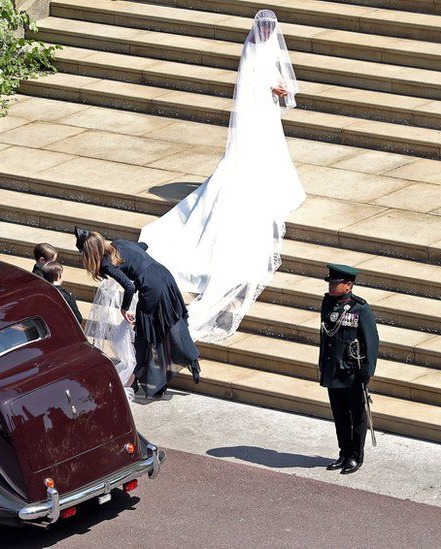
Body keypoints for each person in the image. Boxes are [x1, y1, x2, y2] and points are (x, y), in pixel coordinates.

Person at [138, 9, 305, 344]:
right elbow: (249, 85)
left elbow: (275, 82)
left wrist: (280, 89)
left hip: (267, 114)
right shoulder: (251, 50)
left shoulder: (269, 46)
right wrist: (270, 88)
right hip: (254, 114)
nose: (268, 33)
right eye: (266, 29)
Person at [77, 229, 200, 398]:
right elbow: (143, 245)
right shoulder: (119, 243)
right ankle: (188, 359)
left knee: (144, 334)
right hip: (164, 275)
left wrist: (124, 308)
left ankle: (146, 382)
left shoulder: (106, 263)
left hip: (150, 286)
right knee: (169, 321)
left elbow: (129, 286)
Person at [319, 264, 379, 475]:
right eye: (331, 283)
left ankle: (355, 456)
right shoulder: (327, 304)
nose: (331, 286)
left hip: (352, 372)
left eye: (336, 283)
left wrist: (366, 371)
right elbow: (325, 339)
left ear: (348, 285)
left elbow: (371, 342)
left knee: (356, 415)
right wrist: (323, 367)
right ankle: (344, 452)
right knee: (340, 414)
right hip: (333, 370)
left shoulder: (360, 308)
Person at [41, 260, 83, 325]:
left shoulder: (41, 293)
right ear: (58, 275)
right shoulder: (67, 296)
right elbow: (78, 318)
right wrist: (72, 299)